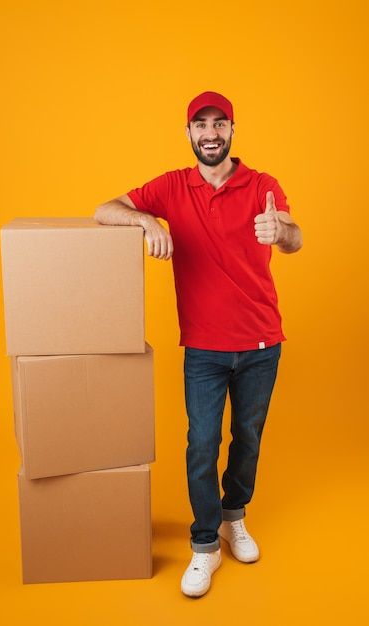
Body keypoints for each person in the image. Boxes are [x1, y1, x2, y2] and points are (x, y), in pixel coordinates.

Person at [93, 91, 303, 598]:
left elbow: (295, 238)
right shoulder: (171, 187)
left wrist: (283, 230)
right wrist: (146, 220)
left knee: (247, 439)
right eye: (200, 125)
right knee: (202, 445)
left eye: (219, 123)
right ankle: (205, 544)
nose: (210, 133)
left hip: (261, 343)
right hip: (204, 350)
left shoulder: (263, 186)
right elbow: (104, 209)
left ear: (232, 129)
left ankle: (235, 516)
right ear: (188, 133)